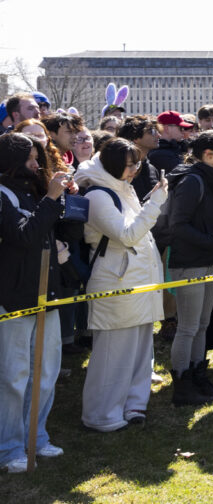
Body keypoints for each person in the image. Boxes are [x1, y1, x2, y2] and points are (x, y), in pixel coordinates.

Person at [75, 138, 168, 431]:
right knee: (113, 353)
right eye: (131, 165)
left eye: (137, 164)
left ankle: (134, 404)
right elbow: (126, 235)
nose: (135, 170)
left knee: (140, 347)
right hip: (116, 282)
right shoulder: (98, 195)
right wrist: (154, 204)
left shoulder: (122, 188)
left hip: (139, 280)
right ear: (114, 165)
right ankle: (101, 414)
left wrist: (148, 202)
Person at [0, 133, 77, 472]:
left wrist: (64, 199)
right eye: (29, 159)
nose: (35, 165)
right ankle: (9, 447)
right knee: (14, 375)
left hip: (48, 293)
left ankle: (37, 436)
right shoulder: (3, 194)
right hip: (14, 297)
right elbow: (24, 236)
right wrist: (51, 197)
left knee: (45, 372)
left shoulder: (35, 190)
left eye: (37, 158)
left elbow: (57, 230)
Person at [165, 131, 213, 406]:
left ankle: (197, 376)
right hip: (190, 262)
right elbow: (177, 225)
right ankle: (182, 386)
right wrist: (210, 241)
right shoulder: (192, 181)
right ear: (208, 154)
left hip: (208, 260)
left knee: (202, 325)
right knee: (188, 326)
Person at [117, 116, 162, 202]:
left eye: (157, 131)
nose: (158, 135)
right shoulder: (122, 168)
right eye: (151, 132)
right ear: (135, 137)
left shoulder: (152, 169)